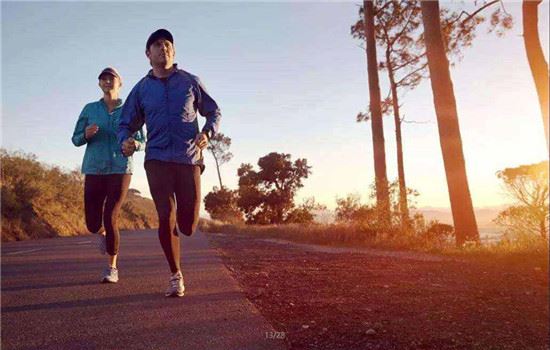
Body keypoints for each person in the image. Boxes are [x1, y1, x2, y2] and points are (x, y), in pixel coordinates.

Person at [118, 29, 221, 297]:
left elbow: (213, 111)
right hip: (157, 159)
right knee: (166, 215)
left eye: (167, 45)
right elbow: (126, 123)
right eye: (156, 45)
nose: (162, 48)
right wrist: (124, 141)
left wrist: (207, 132)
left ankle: (182, 226)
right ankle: (175, 275)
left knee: (187, 225)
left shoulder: (190, 81)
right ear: (147, 54)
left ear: (173, 52)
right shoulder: (141, 89)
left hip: (188, 159)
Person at [72, 67, 145, 283]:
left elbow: (142, 139)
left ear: (119, 83)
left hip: (121, 169)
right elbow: (75, 138)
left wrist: (135, 144)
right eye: (103, 79)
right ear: (99, 84)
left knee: (110, 214)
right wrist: (85, 135)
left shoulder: (130, 109)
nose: (106, 81)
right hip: (94, 168)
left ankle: (112, 268)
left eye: (111, 78)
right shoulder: (89, 109)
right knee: (93, 224)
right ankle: (102, 233)